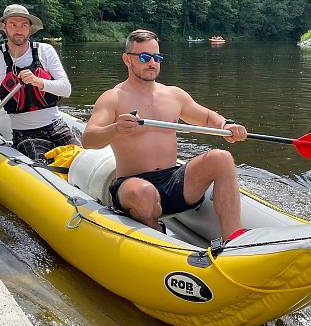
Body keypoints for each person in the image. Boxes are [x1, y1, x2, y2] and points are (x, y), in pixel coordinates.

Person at [81, 29, 248, 241]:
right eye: (144, 57)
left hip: (174, 181)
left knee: (221, 158)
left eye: (156, 57)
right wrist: (115, 128)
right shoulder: (112, 98)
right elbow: (88, 139)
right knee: (144, 192)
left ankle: (233, 240)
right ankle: (157, 234)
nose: (152, 63)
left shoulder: (173, 94)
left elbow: (207, 118)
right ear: (127, 59)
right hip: (133, 185)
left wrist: (227, 125)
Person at [0, 4, 78, 161]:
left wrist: (38, 81)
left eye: (24, 25)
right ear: (4, 27)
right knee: (43, 169)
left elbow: (66, 89)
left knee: (81, 161)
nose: (18, 30)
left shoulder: (45, 51)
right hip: (25, 132)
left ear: (30, 28)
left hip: (57, 126)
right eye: (13, 24)